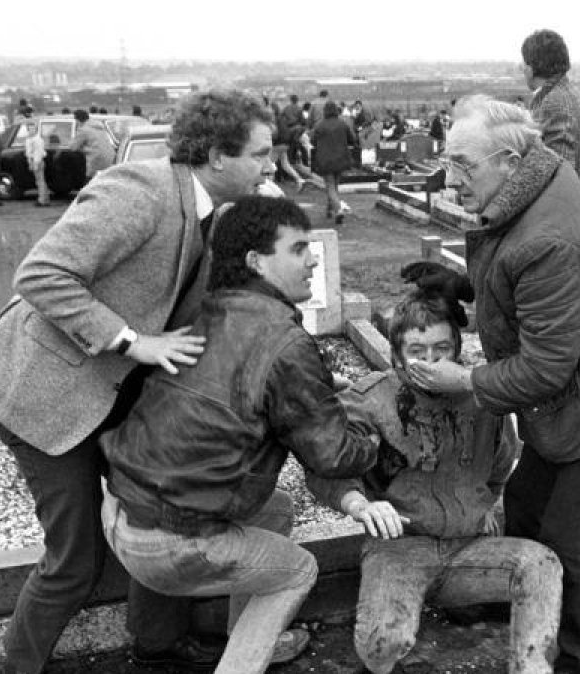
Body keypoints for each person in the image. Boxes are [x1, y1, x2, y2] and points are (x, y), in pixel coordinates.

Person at [0, 90, 282, 674]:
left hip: (115, 395)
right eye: (261, 154)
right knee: (75, 561)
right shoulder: (141, 190)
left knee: (164, 508)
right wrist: (135, 341)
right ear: (215, 155)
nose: (272, 165)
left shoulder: (213, 211)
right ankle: (17, 666)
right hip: (48, 398)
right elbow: (41, 273)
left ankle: (156, 647)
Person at [407, 94, 580, 674]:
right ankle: (510, 596)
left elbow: (546, 368)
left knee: (571, 534)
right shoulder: (535, 186)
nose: (450, 177)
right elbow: (519, 277)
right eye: (450, 161)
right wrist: (464, 283)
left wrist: (462, 379)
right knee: (523, 501)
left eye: (464, 165)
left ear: (510, 158)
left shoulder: (549, 238)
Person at [100, 195, 379, 674]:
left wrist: (316, 387)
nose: (312, 258)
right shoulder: (284, 341)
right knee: (298, 570)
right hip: (169, 545)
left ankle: (243, 634)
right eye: (297, 248)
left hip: (118, 512)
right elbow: (335, 456)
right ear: (256, 261)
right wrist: (374, 418)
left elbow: (241, 381)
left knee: (279, 509)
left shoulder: (215, 309)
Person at [308, 288, 563, 674]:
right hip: (400, 552)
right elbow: (324, 467)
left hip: (470, 548)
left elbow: (501, 463)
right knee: (382, 645)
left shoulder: (482, 397)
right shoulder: (370, 400)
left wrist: (487, 505)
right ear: (396, 356)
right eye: (416, 351)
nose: (430, 360)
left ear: (457, 350)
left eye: (442, 348)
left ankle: (531, 667)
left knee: (541, 564)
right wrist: (361, 505)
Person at [521, 29, 580, 187]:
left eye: (524, 62)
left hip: (562, 205)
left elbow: (558, 174)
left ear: (531, 68)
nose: (522, 68)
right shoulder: (568, 92)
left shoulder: (555, 101)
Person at [311, 101, 358, 223]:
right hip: (341, 159)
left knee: (330, 186)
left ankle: (337, 209)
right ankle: (330, 209)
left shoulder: (320, 125)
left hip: (326, 160)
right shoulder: (342, 123)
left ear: (325, 111)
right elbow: (352, 139)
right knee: (335, 185)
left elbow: (313, 141)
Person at [68, 109, 115, 180]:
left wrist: (81, 148)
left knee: (90, 181)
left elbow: (73, 147)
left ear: (77, 120)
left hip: (96, 158)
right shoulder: (99, 127)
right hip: (110, 158)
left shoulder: (83, 130)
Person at [22, 118, 50, 207]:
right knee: (40, 181)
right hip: (34, 160)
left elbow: (39, 152)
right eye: (30, 129)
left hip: (37, 160)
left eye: (33, 129)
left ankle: (42, 200)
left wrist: (35, 163)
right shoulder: (31, 139)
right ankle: (44, 199)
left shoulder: (37, 140)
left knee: (40, 181)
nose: (31, 130)